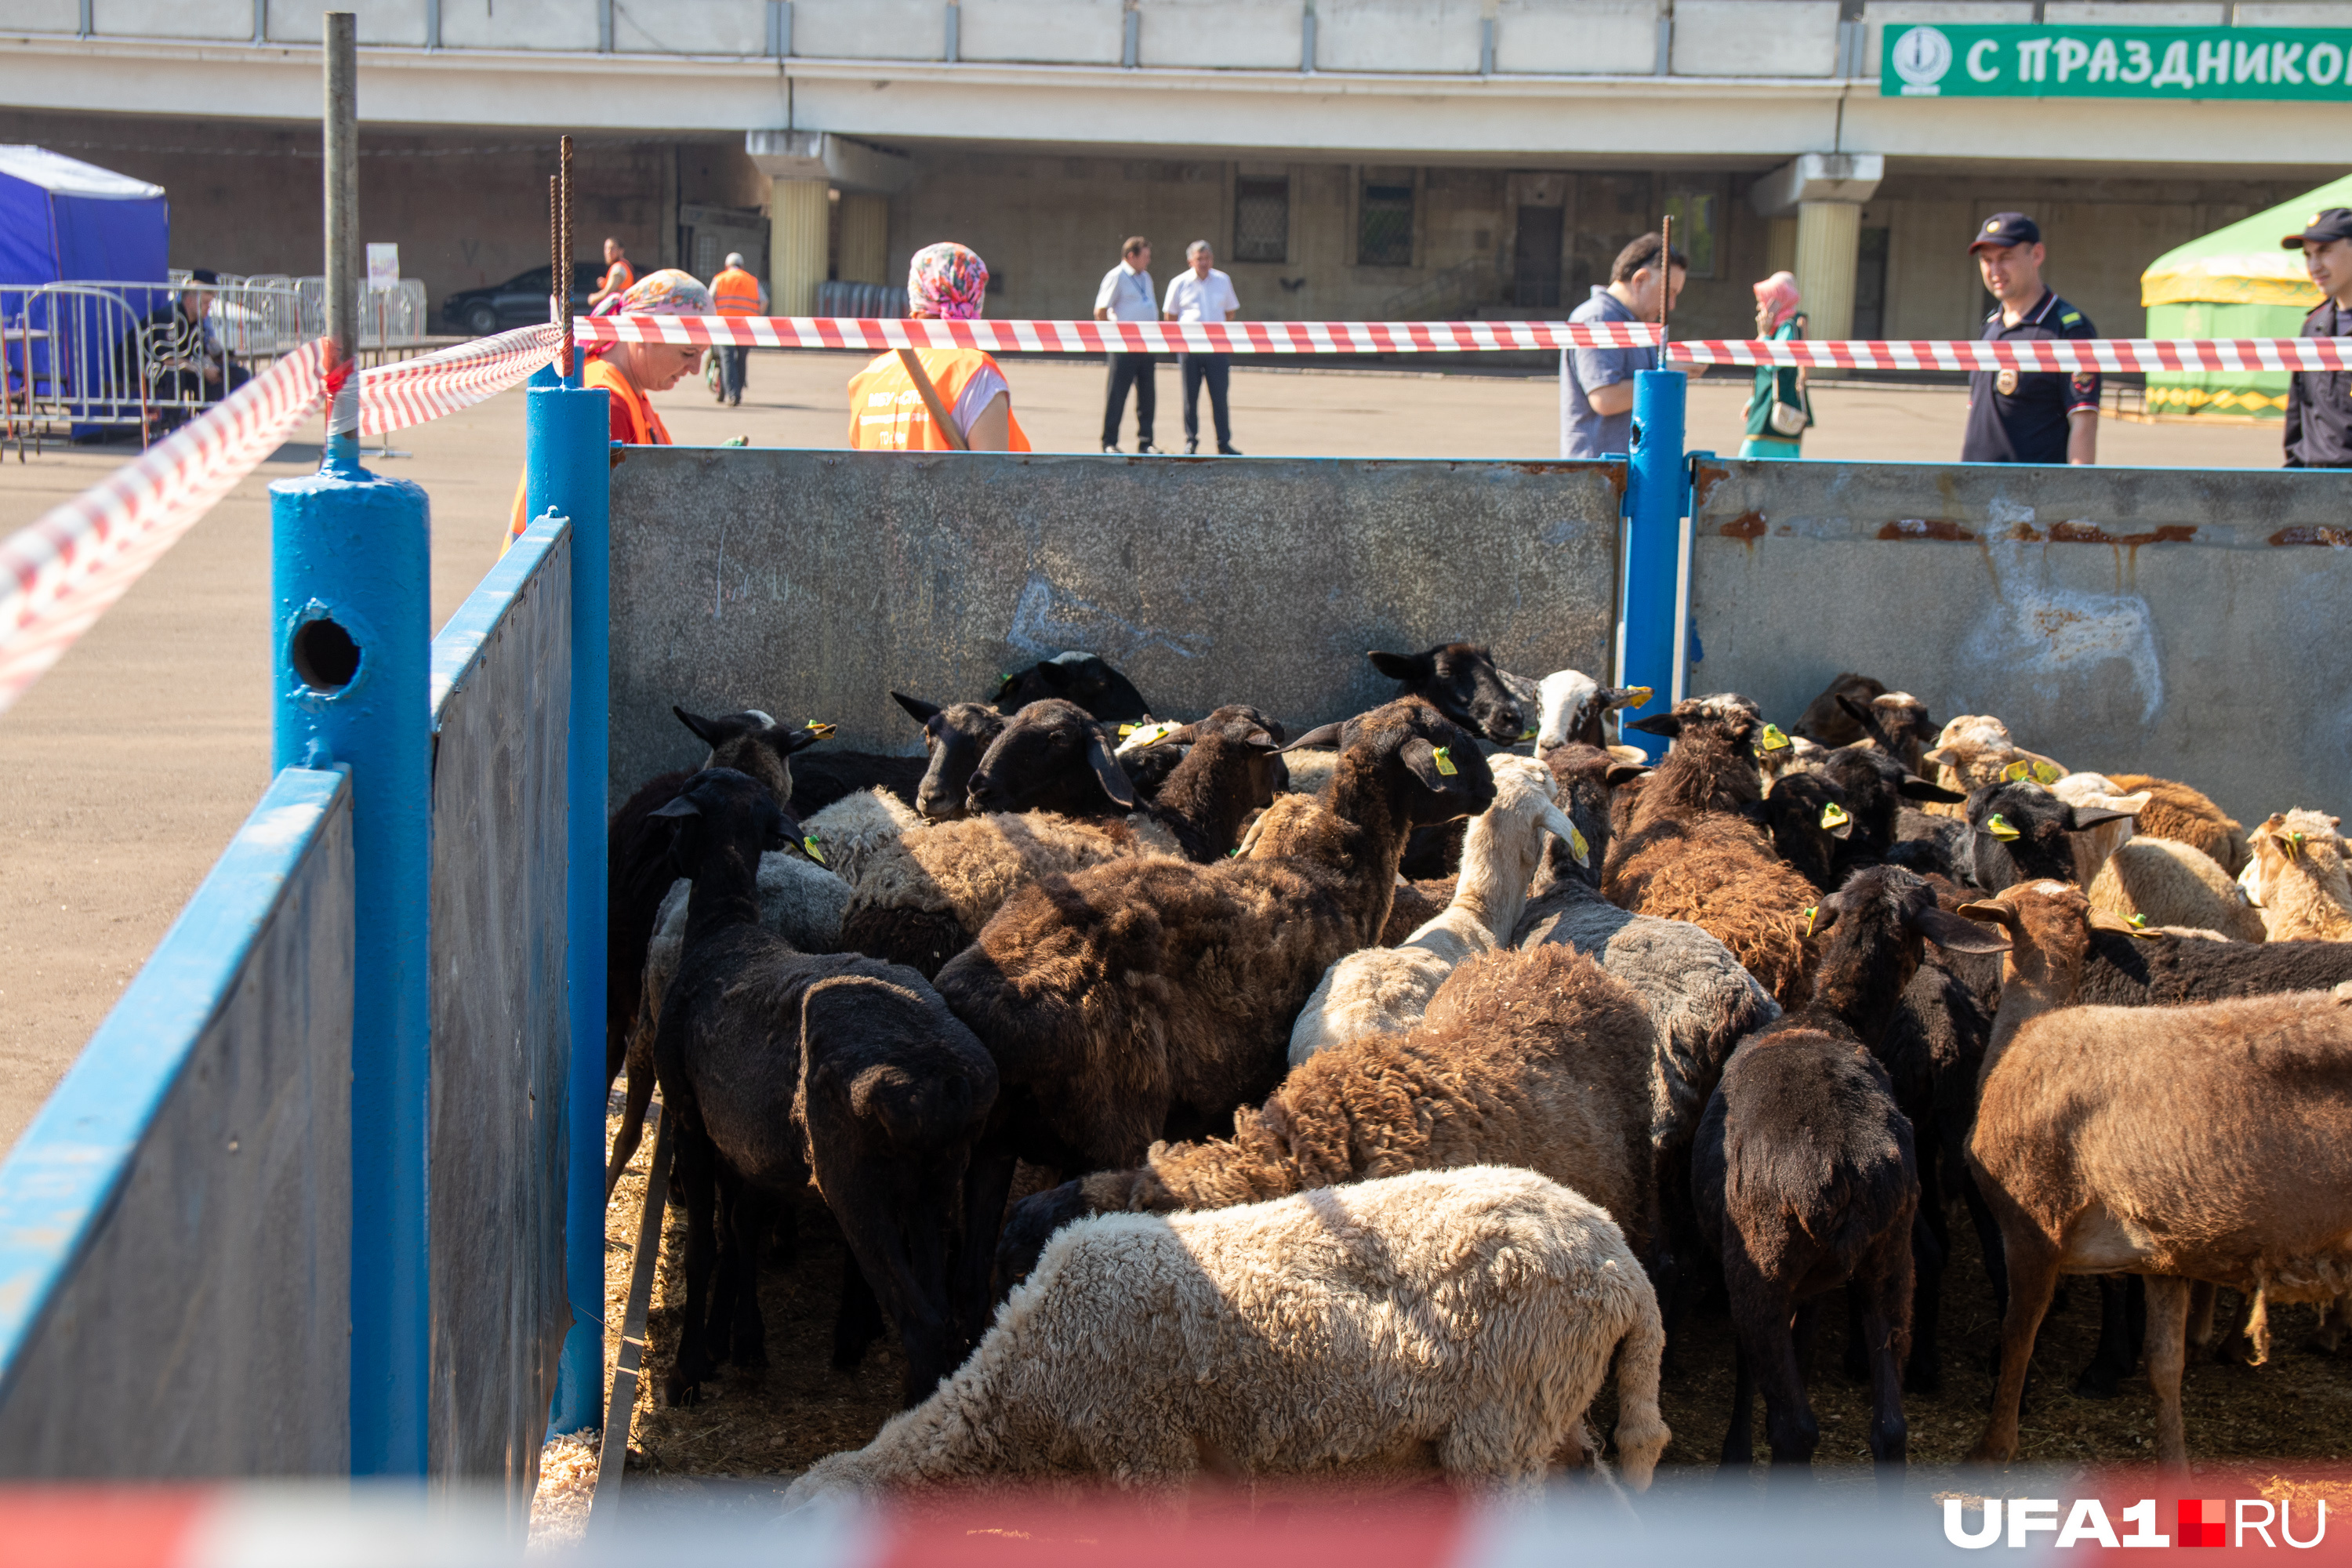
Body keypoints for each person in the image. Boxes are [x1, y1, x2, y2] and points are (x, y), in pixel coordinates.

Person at [506, 269, 710, 548]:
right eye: (688, 353)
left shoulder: (624, 393)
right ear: (643, 333)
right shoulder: (606, 403)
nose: (696, 369)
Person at [846, 241, 1029, 452]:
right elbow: (992, 480)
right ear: (976, 297)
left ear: (916, 294)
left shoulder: (869, 378)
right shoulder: (975, 374)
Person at [1962, 212, 2098, 466]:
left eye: (2005, 258)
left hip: (2031, 496)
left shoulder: (2068, 330)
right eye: (1986, 260)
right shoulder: (1990, 326)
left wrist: (2078, 498)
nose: (1995, 270)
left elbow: (2084, 423)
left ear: (2036, 255)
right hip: (1973, 490)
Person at [1563, 234, 1686, 459]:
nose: (1671, 305)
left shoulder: (1634, 323)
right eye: (1668, 292)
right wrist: (1670, 374)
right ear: (1639, 280)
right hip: (1599, 475)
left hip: (1619, 472)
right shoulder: (1599, 318)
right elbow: (1605, 398)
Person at [2281, 206, 2352, 469]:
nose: (2314, 266)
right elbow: (2298, 414)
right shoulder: (2314, 326)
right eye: (2308, 255)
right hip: (2314, 488)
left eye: (2325, 251)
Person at [136, 269, 249, 430]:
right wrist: (203, 369)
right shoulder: (170, 317)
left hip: (179, 366)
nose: (209, 308)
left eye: (210, 303)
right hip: (143, 365)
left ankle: (213, 422)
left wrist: (213, 366)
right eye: (205, 303)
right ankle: (170, 426)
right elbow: (168, 360)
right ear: (189, 301)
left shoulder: (198, 322)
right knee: (176, 374)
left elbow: (201, 353)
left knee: (233, 373)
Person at [1163, 240, 1242, 455]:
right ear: (1190, 261)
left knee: (1219, 396)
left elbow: (1230, 312)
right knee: (1190, 396)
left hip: (1217, 348)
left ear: (1212, 260)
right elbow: (1170, 315)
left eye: (1207, 258)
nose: (1204, 263)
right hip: (1189, 348)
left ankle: (1223, 443)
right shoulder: (1179, 283)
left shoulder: (1222, 280)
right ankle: (1191, 440)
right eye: (1199, 259)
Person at [1094, 235, 1160, 454]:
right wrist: (1113, 335)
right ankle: (1109, 442)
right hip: (1124, 345)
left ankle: (1146, 441)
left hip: (1147, 345)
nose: (1148, 261)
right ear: (1131, 256)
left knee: (1147, 396)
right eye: (1145, 256)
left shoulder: (1146, 278)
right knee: (1117, 394)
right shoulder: (1117, 276)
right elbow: (1101, 310)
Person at [1739, 270, 1811, 460]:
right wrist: (1753, 400)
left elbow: (1773, 365)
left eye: (1764, 300)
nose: (1758, 306)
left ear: (1777, 299)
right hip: (1765, 405)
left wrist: (1763, 334)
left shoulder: (1789, 326)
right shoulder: (1780, 327)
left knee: (1751, 458)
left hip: (1777, 409)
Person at [709, 251, 765, 407]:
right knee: (741, 358)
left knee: (727, 358)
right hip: (746, 326)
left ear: (727, 266)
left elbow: (709, 299)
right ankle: (738, 389)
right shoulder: (752, 280)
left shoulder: (720, 279)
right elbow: (764, 301)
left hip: (724, 325)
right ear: (743, 266)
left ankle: (734, 395)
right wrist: (756, 315)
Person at [589, 238, 636, 311]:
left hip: (619, 311)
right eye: (606, 248)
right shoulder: (625, 266)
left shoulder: (618, 268)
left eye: (612, 248)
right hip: (624, 310)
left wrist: (593, 297)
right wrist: (605, 283)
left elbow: (609, 292)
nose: (609, 252)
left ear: (621, 251)